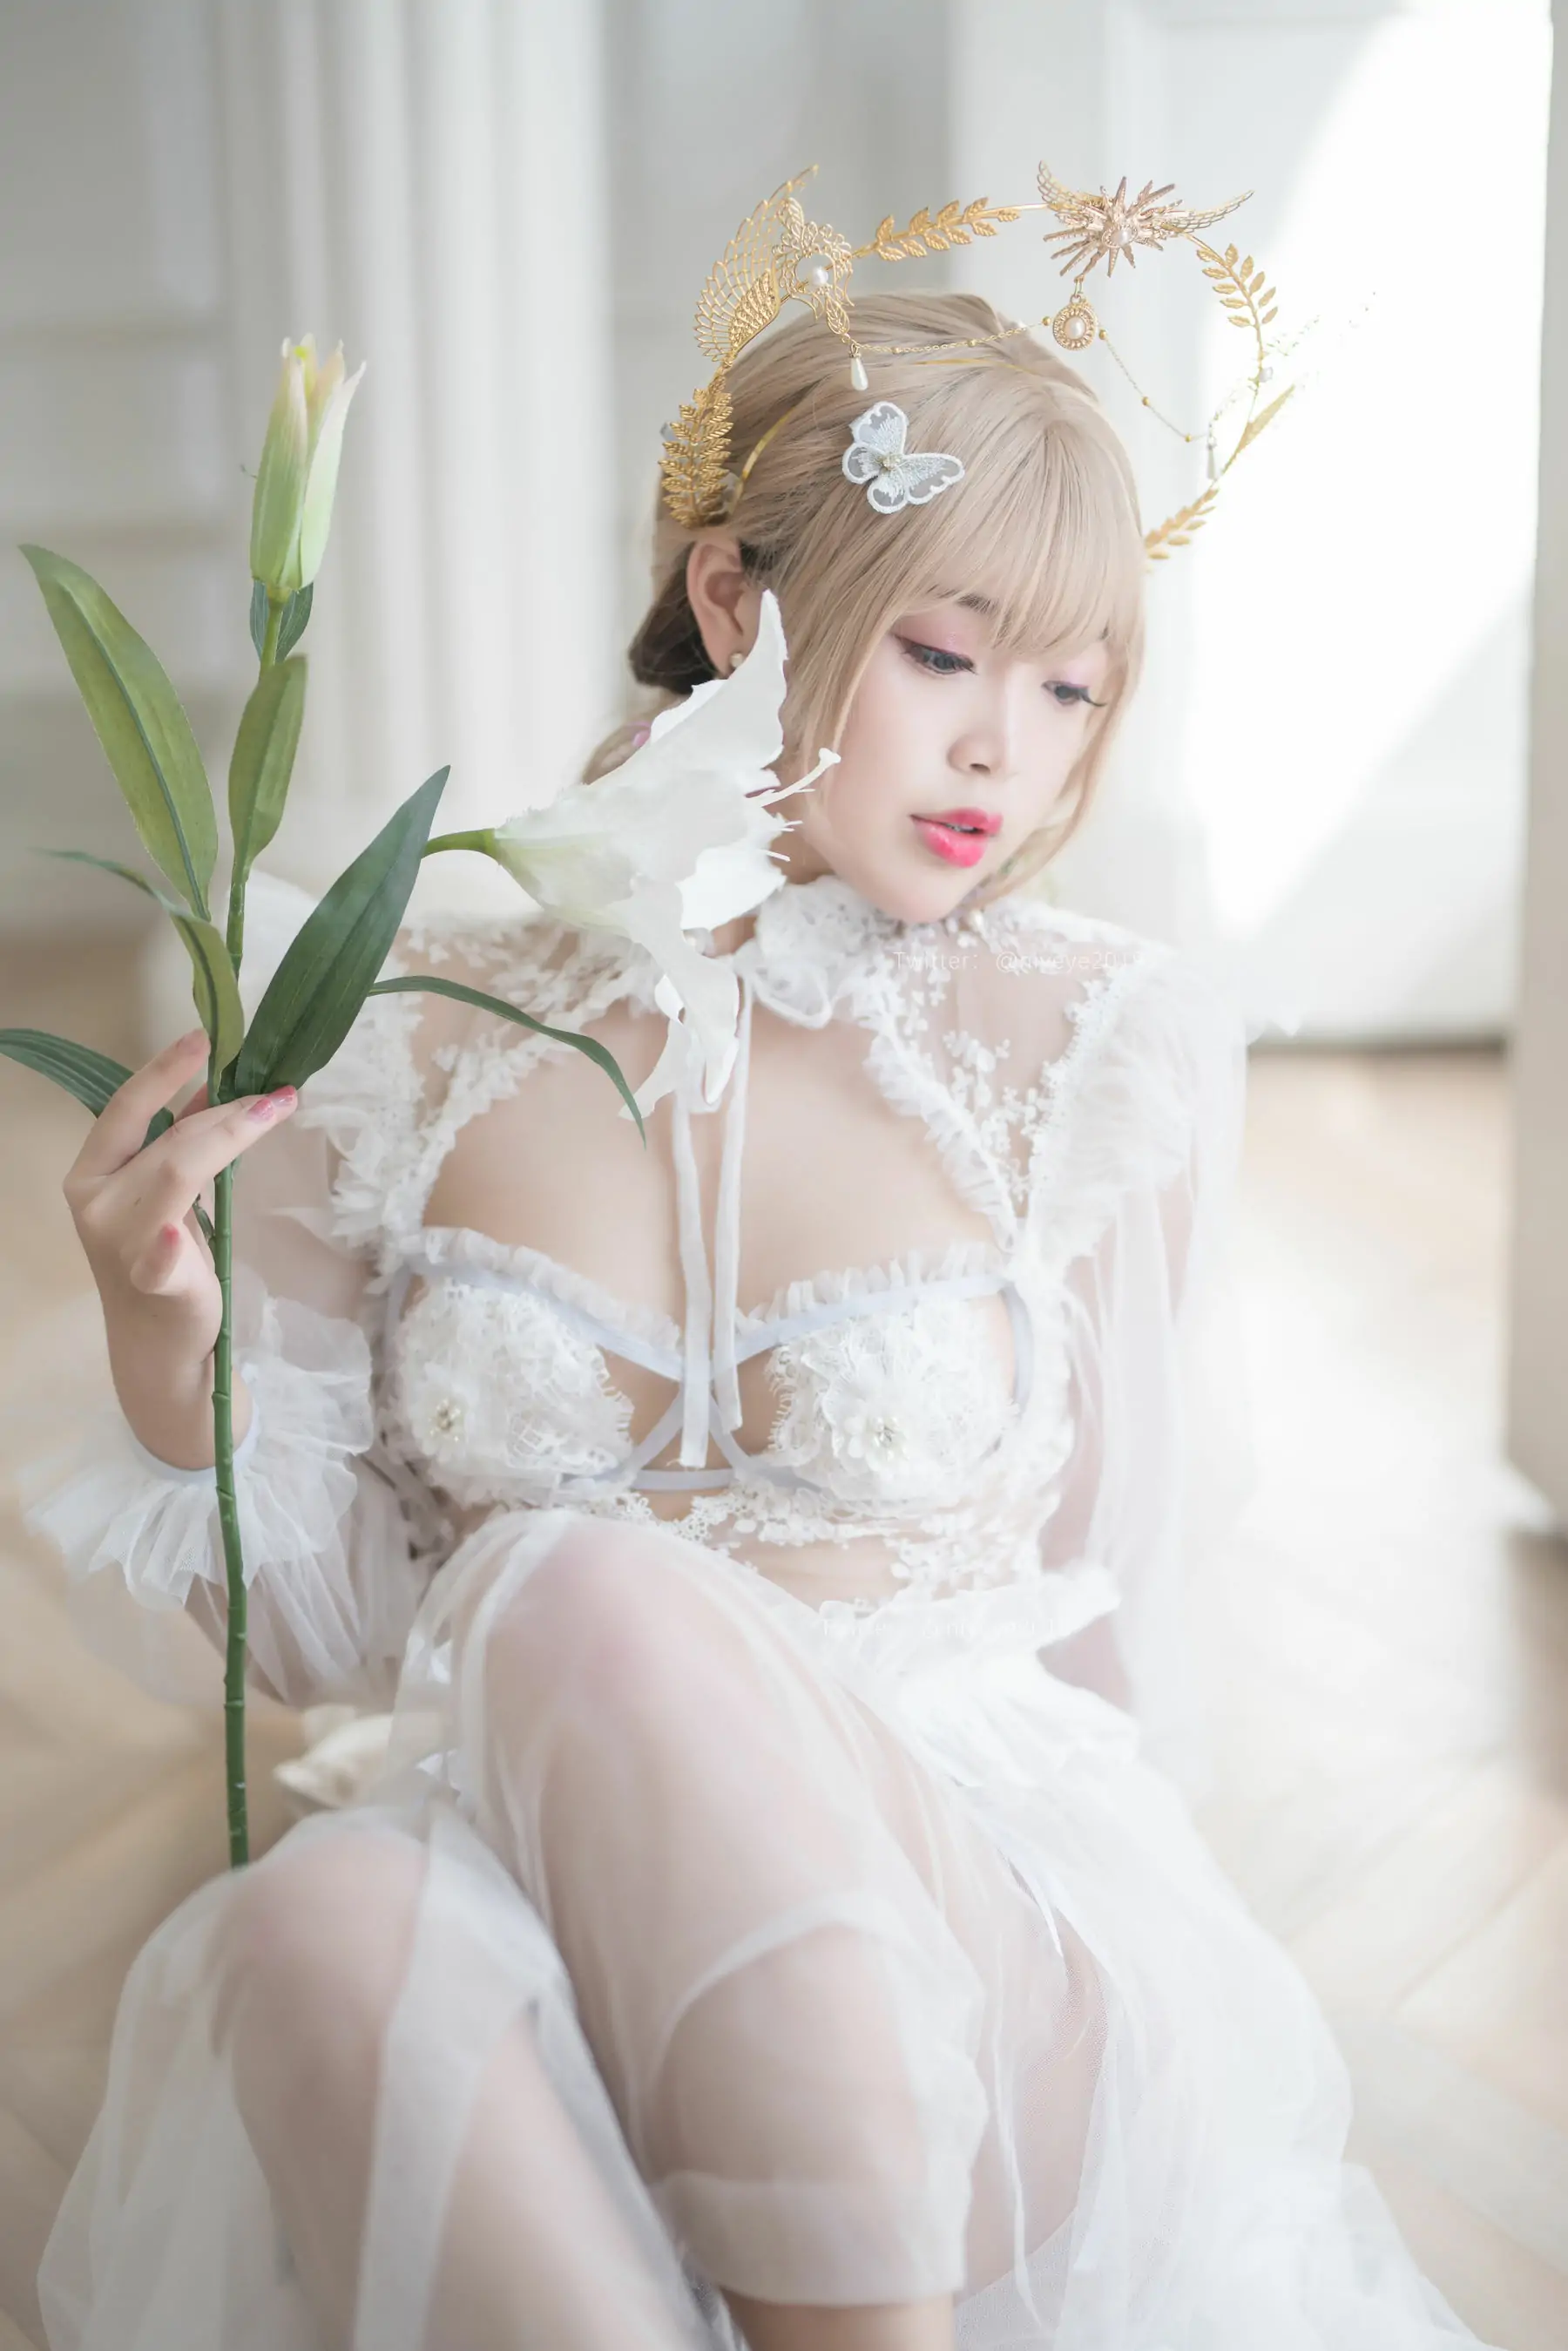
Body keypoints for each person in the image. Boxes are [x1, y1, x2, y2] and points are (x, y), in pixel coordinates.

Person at [19, 289, 1500, 2351]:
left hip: (971, 1955)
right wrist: (159, 1327)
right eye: (946, 653)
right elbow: (327, 1646)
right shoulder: (409, 1026)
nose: (1007, 749)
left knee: (578, 1587)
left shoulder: (1094, 1039)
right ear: (731, 597)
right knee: (311, 1924)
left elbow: (1120, 1634)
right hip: (525, 1894)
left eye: (1073, 687)